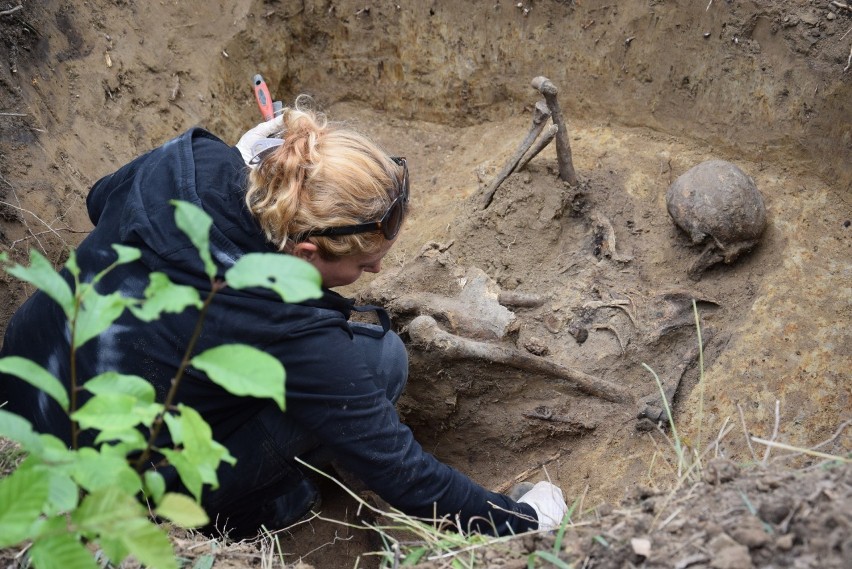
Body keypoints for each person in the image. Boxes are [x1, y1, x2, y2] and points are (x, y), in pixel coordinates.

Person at [0, 97, 567, 538]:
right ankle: (243, 514)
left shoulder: (189, 160)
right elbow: (400, 470)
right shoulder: (284, 322)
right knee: (379, 362)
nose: (372, 276)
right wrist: (520, 526)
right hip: (104, 485)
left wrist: (235, 163)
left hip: (21, 392)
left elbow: (101, 200)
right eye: (365, 265)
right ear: (303, 255)